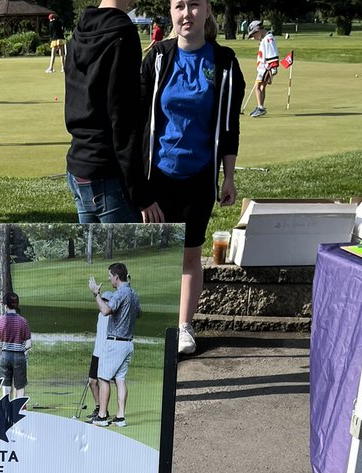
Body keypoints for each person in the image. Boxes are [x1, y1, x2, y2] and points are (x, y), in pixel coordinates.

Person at [140, 0, 245, 356]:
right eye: (179, 6)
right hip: (158, 179)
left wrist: (228, 177)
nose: (187, 14)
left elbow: (230, 128)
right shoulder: (156, 57)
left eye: (195, 5)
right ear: (171, 12)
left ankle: (184, 326)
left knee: (189, 256)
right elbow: (138, 121)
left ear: (209, 10)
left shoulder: (225, 63)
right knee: (156, 258)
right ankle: (156, 325)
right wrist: (140, 188)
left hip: (199, 178)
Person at [64, 0, 164, 224]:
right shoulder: (123, 33)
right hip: (107, 173)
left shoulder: (79, 31)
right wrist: (142, 195)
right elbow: (124, 122)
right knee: (132, 258)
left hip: (78, 164)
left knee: (94, 259)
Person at [86, 263, 140, 428]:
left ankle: (102, 416)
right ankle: (120, 416)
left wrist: (96, 294)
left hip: (115, 342)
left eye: (110, 276)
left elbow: (105, 311)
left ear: (117, 277)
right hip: (128, 344)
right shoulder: (133, 293)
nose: (109, 279)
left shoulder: (120, 293)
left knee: (103, 379)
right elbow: (139, 313)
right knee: (120, 379)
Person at [0, 292, 31, 400]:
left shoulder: (1, 320)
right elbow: (28, 344)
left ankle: (6, 410)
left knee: (6, 385)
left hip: (5, 356)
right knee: (20, 386)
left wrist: (2, 354)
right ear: (17, 305)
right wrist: (21, 349)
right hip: (19, 356)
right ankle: (19, 409)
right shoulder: (23, 321)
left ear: (5, 306)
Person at [247, 19, 278, 116]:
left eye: (253, 35)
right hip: (263, 68)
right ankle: (261, 106)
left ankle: (260, 107)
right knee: (261, 87)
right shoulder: (265, 39)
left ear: (258, 30)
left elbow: (272, 53)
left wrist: (273, 68)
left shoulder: (268, 39)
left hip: (265, 68)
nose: (254, 37)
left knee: (258, 87)